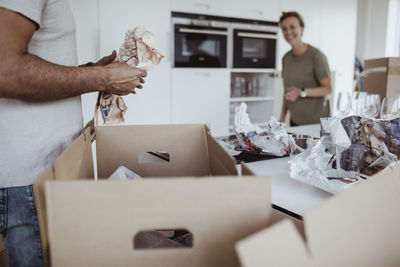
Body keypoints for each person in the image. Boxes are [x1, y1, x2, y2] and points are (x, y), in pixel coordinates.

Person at [0, 0, 147, 266]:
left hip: (44, 172)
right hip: (28, 179)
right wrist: (103, 78)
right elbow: (5, 70)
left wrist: (93, 71)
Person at [278, 11, 332, 126]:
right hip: (295, 122)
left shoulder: (316, 56)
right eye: (284, 29)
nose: (288, 32)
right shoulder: (285, 58)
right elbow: (287, 93)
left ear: (302, 28)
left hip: (317, 124)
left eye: (292, 27)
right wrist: (282, 117)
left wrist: (301, 92)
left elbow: (328, 89)